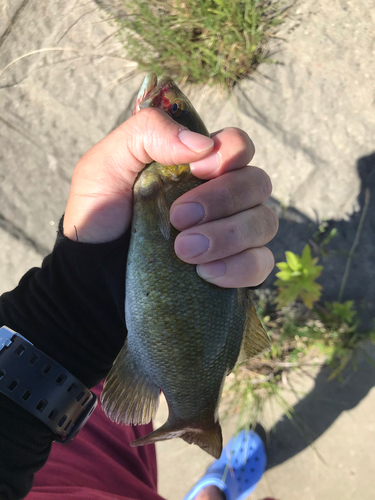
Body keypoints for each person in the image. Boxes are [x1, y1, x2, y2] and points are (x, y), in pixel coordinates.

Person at [0, 107, 278, 500]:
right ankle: (212, 491)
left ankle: (210, 484)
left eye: (174, 112)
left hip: (45, 417)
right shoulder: (171, 180)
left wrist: (71, 311)